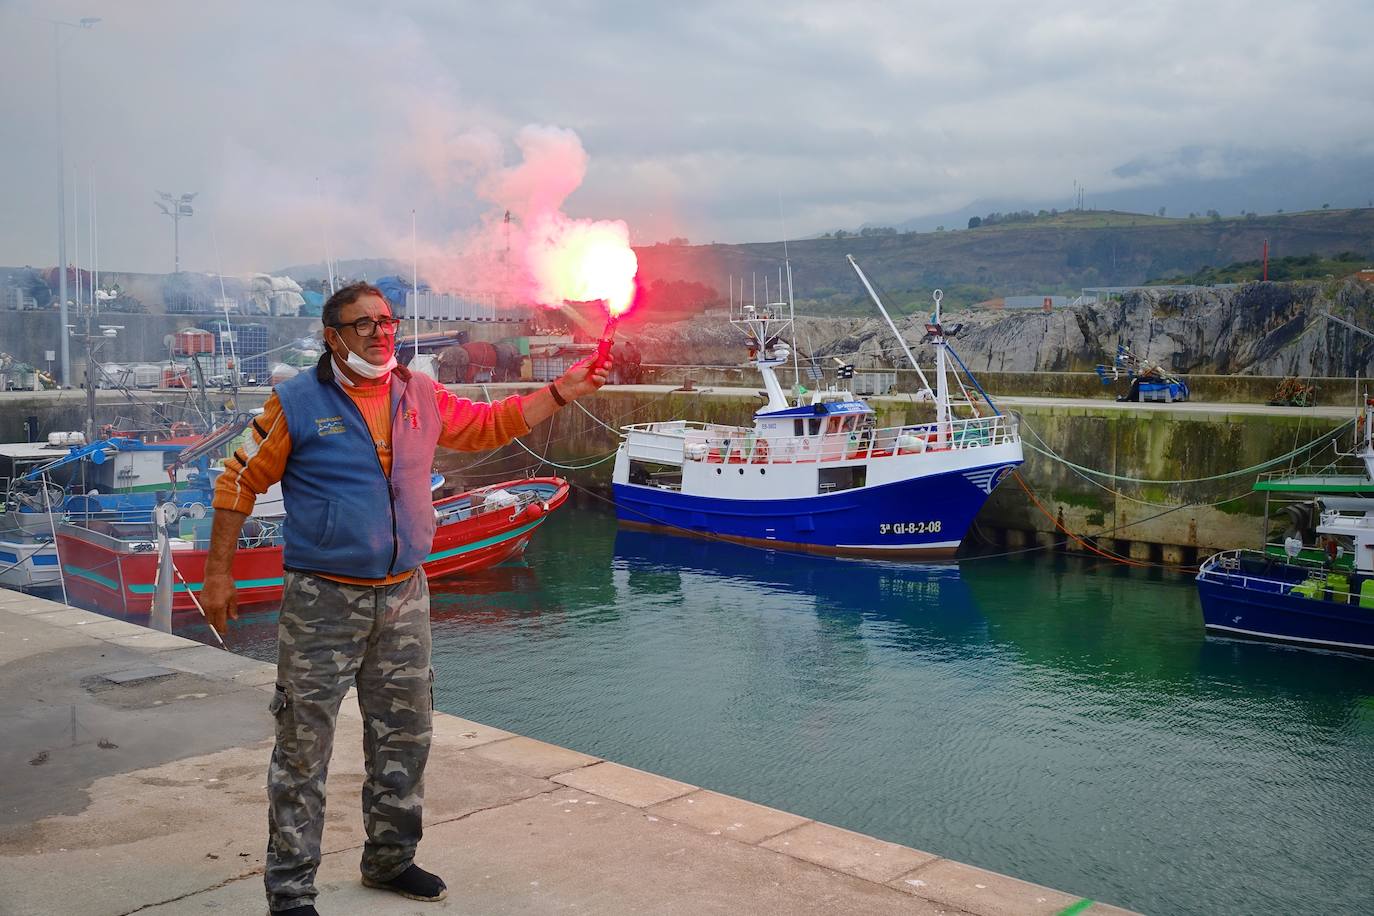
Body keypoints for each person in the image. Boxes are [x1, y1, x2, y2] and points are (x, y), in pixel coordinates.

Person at [201, 282, 606, 916]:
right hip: (322, 599)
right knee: (303, 746)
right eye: (363, 323)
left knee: (406, 736)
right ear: (332, 336)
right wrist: (218, 577)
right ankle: (290, 891)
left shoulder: (420, 392)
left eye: (387, 320)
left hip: (404, 594)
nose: (380, 332)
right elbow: (237, 481)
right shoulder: (296, 402)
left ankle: (389, 860)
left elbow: (488, 425)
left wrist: (562, 391)